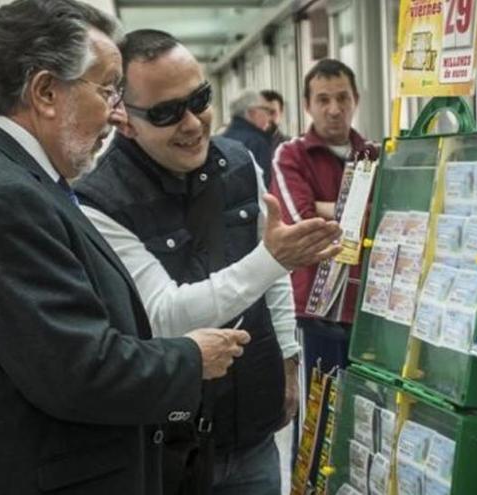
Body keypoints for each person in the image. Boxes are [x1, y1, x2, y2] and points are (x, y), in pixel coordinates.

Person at [0, 2, 249, 494]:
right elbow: (79, 370)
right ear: (46, 92)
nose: (116, 112)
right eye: (107, 89)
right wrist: (191, 358)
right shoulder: (4, 197)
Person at [74, 29, 342, 495]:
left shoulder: (238, 163)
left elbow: (272, 271)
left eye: (199, 99)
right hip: (167, 443)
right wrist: (271, 260)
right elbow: (163, 315)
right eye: (166, 112)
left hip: (253, 429)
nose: (193, 123)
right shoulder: (98, 202)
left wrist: (289, 361)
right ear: (123, 119)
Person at [269, 58, 379, 388]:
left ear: (356, 100)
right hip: (314, 313)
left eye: (342, 98)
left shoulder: (374, 155)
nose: (334, 109)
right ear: (307, 105)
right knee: (317, 423)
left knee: (363, 415)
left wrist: (326, 208)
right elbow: (303, 223)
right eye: (323, 99)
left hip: (367, 311)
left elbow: (390, 218)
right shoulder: (291, 155)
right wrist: (364, 211)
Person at [222, 90, 275, 186]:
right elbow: (263, 185)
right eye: (267, 110)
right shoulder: (257, 142)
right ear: (252, 112)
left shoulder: (221, 139)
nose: (270, 117)